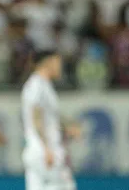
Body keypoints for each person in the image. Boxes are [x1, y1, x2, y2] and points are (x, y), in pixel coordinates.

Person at [21, 50, 76, 190]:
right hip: (44, 150)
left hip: (41, 150)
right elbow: (36, 115)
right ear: (49, 62)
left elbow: (49, 115)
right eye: (58, 62)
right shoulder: (36, 85)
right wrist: (46, 148)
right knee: (64, 186)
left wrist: (67, 127)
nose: (60, 67)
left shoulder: (44, 85)